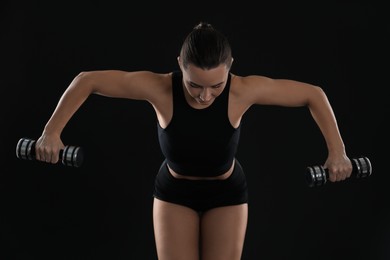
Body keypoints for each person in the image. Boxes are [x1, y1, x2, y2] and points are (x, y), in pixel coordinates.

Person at [34, 22, 353, 260]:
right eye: (194, 85)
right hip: (174, 193)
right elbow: (87, 80)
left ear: (229, 69)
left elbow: (314, 94)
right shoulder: (158, 88)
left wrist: (337, 151)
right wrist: (52, 132)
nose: (205, 95)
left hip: (226, 192)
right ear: (179, 66)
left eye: (216, 86)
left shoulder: (243, 90)